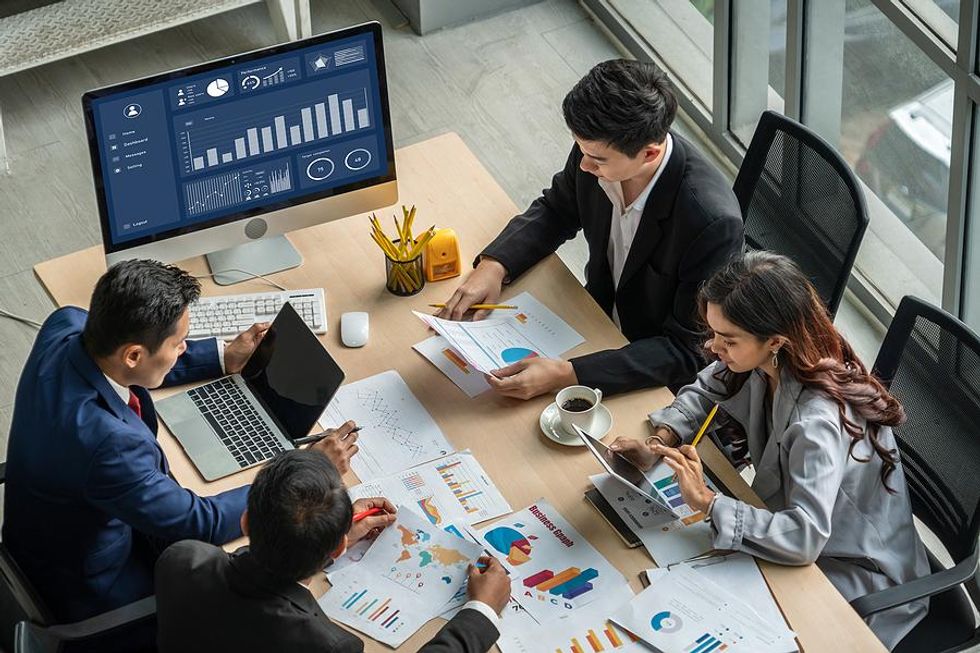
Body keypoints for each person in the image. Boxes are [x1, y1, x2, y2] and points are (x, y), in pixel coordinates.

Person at [2, 260, 360, 623]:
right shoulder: (108, 447)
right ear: (134, 355)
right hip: (91, 589)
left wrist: (223, 356)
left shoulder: (65, 325)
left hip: (37, 532)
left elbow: (131, 365)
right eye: (178, 344)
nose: (184, 348)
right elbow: (199, 522)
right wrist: (310, 474)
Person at [608, 251, 929, 650]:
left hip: (850, 568)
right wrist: (659, 443)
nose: (713, 347)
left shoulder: (817, 424)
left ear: (774, 340)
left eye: (728, 340)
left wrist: (708, 503)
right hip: (793, 532)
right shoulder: (769, 359)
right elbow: (706, 390)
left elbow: (805, 537)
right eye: (713, 333)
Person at [438, 59, 743, 399]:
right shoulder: (598, 148)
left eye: (596, 159)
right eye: (581, 149)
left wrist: (569, 374)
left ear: (649, 153)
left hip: (645, 367)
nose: (584, 164)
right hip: (592, 319)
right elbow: (557, 209)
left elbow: (688, 350)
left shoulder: (711, 223)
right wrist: (496, 266)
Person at [155, 449, 510, 652]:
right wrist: (481, 613)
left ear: (246, 521)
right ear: (341, 546)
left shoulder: (182, 559)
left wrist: (318, 537)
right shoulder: (327, 646)